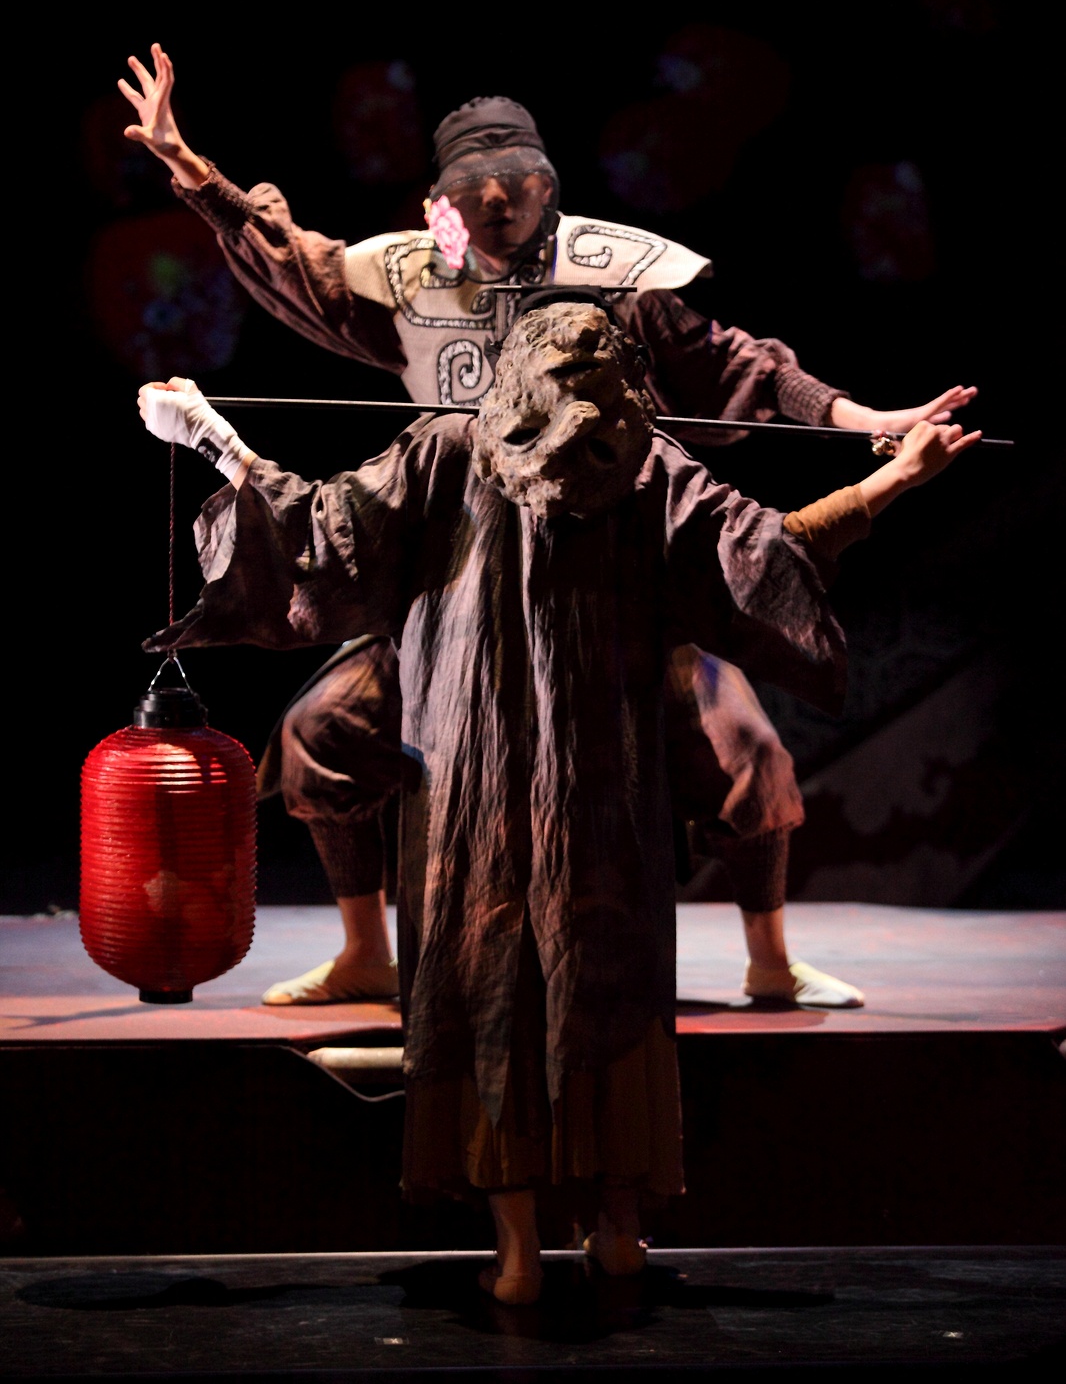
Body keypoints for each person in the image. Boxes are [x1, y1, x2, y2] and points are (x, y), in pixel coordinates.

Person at [136, 301, 978, 1302]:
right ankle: (603, 1233)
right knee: (567, 984)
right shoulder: (606, 463)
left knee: (520, 984)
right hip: (557, 796)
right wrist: (895, 480)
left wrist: (212, 438)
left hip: (516, 800)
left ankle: (526, 1252)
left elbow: (320, 534)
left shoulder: (498, 454)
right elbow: (769, 551)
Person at [120, 43, 978, 1011]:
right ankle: (368, 950)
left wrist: (868, 425)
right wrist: (189, 167)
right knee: (322, 733)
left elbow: (745, 370)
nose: (496, 201)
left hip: (609, 585)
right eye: (473, 187)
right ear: (442, 207)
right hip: (454, 591)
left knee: (747, 755)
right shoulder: (420, 334)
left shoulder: (620, 300)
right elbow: (291, 262)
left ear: (548, 189)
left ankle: (769, 960)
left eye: (515, 180)